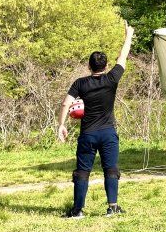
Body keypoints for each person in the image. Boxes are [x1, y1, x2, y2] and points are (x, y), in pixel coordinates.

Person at [57, 21, 135, 218]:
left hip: (88, 135)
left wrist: (61, 125)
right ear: (106, 66)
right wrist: (129, 36)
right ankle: (113, 207)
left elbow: (66, 104)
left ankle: (77, 211)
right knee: (111, 169)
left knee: (83, 172)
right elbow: (123, 57)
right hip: (108, 133)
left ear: (89, 66)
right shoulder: (112, 79)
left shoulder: (80, 83)